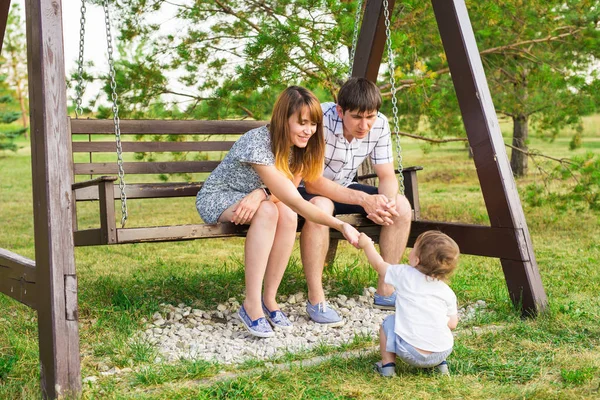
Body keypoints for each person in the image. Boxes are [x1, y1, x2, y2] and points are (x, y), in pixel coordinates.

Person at [196, 86, 360, 338]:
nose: (309, 130)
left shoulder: (301, 147)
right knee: (271, 212)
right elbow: (294, 198)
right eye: (302, 123)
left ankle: (269, 300)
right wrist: (340, 225)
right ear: (284, 120)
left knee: (286, 213)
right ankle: (251, 304)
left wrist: (261, 193)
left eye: (314, 124)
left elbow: (288, 193)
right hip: (221, 196)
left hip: (260, 199)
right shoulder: (258, 142)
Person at [299, 77, 412, 326]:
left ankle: (386, 290)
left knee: (401, 206)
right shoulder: (321, 120)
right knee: (321, 207)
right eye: (357, 117)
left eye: (370, 116)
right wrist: (364, 200)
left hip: (343, 186)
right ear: (341, 111)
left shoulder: (379, 124)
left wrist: (386, 202)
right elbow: (312, 182)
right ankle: (316, 299)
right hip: (303, 189)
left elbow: (386, 176)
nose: (364, 125)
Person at [357, 230, 460, 377]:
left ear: (416, 260)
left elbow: (379, 265)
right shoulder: (447, 292)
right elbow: (452, 324)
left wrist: (367, 245)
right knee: (438, 326)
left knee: (389, 322)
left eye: (413, 249)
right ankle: (441, 366)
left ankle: (387, 367)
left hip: (409, 352)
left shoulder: (404, 274)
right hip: (442, 351)